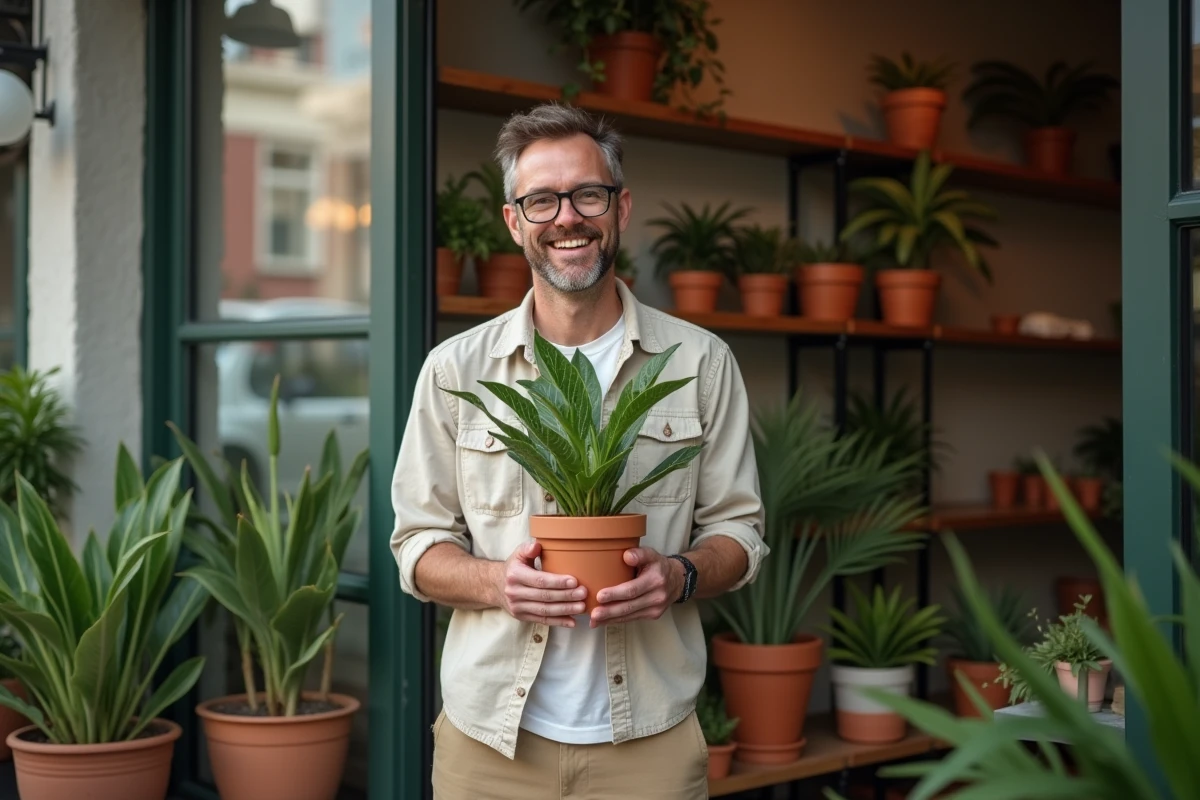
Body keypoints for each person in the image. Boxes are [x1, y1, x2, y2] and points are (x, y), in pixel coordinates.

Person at [390, 102, 767, 800]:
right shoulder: (456, 371)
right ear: (514, 222)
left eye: (587, 194)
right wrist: (497, 582)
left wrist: (678, 575)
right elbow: (417, 544)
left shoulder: (701, 362)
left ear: (620, 207)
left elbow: (741, 532)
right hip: (490, 747)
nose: (567, 216)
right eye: (541, 200)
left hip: (648, 747)